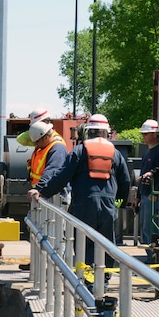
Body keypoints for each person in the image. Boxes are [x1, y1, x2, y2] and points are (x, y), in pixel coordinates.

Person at [28, 114, 131, 286]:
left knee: (84, 241)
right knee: (107, 242)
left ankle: (87, 281)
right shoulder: (116, 153)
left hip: (83, 204)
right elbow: (126, 181)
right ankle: (103, 281)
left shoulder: (79, 150)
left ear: (87, 132)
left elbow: (62, 175)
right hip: (108, 206)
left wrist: (43, 192)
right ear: (107, 132)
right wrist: (118, 204)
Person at [135, 119, 159, 262]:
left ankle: (154, 258)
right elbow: (143, 174)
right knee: (146, 228)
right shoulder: (148, 153)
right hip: (146, 196)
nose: (144, 137)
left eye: (147, 134)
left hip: (154, 196)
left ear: (155, 134)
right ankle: (151, 257)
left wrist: (152, 174)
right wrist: (138, 196)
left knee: (153, 228)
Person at [27, 121, 67, 191]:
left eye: (37, 141)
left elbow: (51, 171)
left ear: (45, 137)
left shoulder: (57, 149)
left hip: (54, 194)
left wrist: (38, 188)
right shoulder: (43, 148)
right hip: (43, 191)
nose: (36, 144)